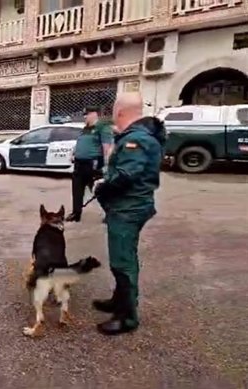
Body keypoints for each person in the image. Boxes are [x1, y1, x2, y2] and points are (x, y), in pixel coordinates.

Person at [92, 92, 165, 335]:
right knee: (123, 258)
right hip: (130, 205)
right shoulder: (138, 136)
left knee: (122, 262)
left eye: (114, 110)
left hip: (128, 208)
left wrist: (103, 184)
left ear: (120, 112)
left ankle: (127, 317)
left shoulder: (136, 139)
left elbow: (127, 175)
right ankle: (118, 301)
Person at [66, 106, 114, 222]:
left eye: (86, 114)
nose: (85, 117)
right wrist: (74, 153)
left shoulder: (103, 127)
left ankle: (110, 213)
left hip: (93, 164)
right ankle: (76, 213)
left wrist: (106, 165)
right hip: (79, 164)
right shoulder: (85, 129)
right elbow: (80, 142)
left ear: (94, 114)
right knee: (77, 190)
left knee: (99, 190)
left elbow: (106, 148)